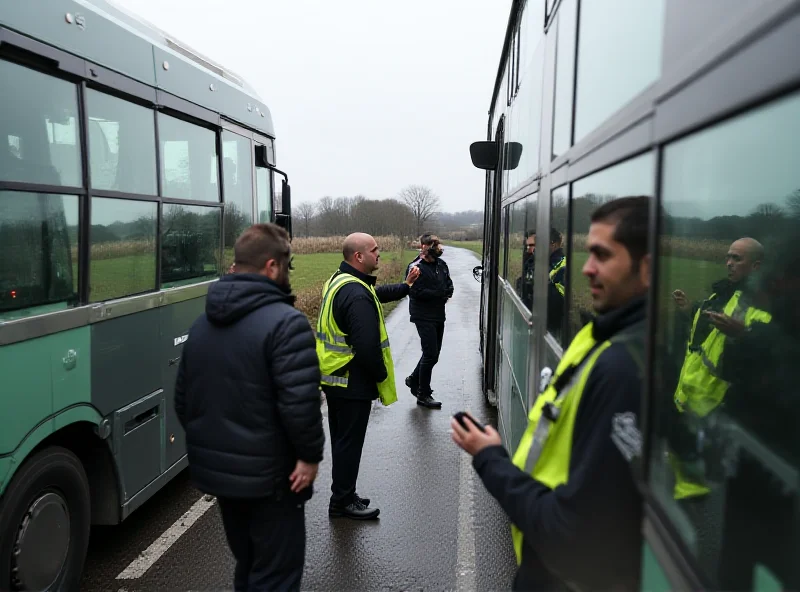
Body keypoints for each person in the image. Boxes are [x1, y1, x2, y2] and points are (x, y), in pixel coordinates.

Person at [451, 196, 652, 590]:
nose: (587, 268)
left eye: (602, 255)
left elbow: (571, 535)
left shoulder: (621, 369)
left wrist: (490, 457)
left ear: (646, 268)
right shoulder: (600, 335)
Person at [174, 223, 324, 592]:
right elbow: (299, 405)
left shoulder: (202, 324)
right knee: (276, 576)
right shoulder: (287, 324)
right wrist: (308, 457)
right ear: (272, 266)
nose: (288, 274)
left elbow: (183, 400)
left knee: (248, 566)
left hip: (224, 480)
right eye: (287, 266)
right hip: (274, 481)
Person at [315, 232, 420, 520]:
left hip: (336, 379)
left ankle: (345, 493)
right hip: (352, 383)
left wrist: (405, 287)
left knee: (342, 441)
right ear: (359, 256)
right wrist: (380, 374)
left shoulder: (341, 281)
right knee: (349, 444)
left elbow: (376, 295)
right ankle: (341, 503)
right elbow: (366, 346)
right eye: (375, 250)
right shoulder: (356, 293)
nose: (379, 253)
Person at [403, 233, 454, 409]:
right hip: (423, 316)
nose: (437, 247)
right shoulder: (415, 267)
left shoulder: (442, 265)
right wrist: (439, 294)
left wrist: (447, 291)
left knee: (434, 354)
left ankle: (413, 379)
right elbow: (415, 292)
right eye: (433, 244)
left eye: (438, 244)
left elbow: (448, 284)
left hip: (439, 314)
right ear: (423, 246)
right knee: (430, 353)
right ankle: (423, 394)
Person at [515, 230, 536, 309]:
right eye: (527, 245)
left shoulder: (541, 261)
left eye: (531, 245)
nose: (528, 248)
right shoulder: (528, 258)